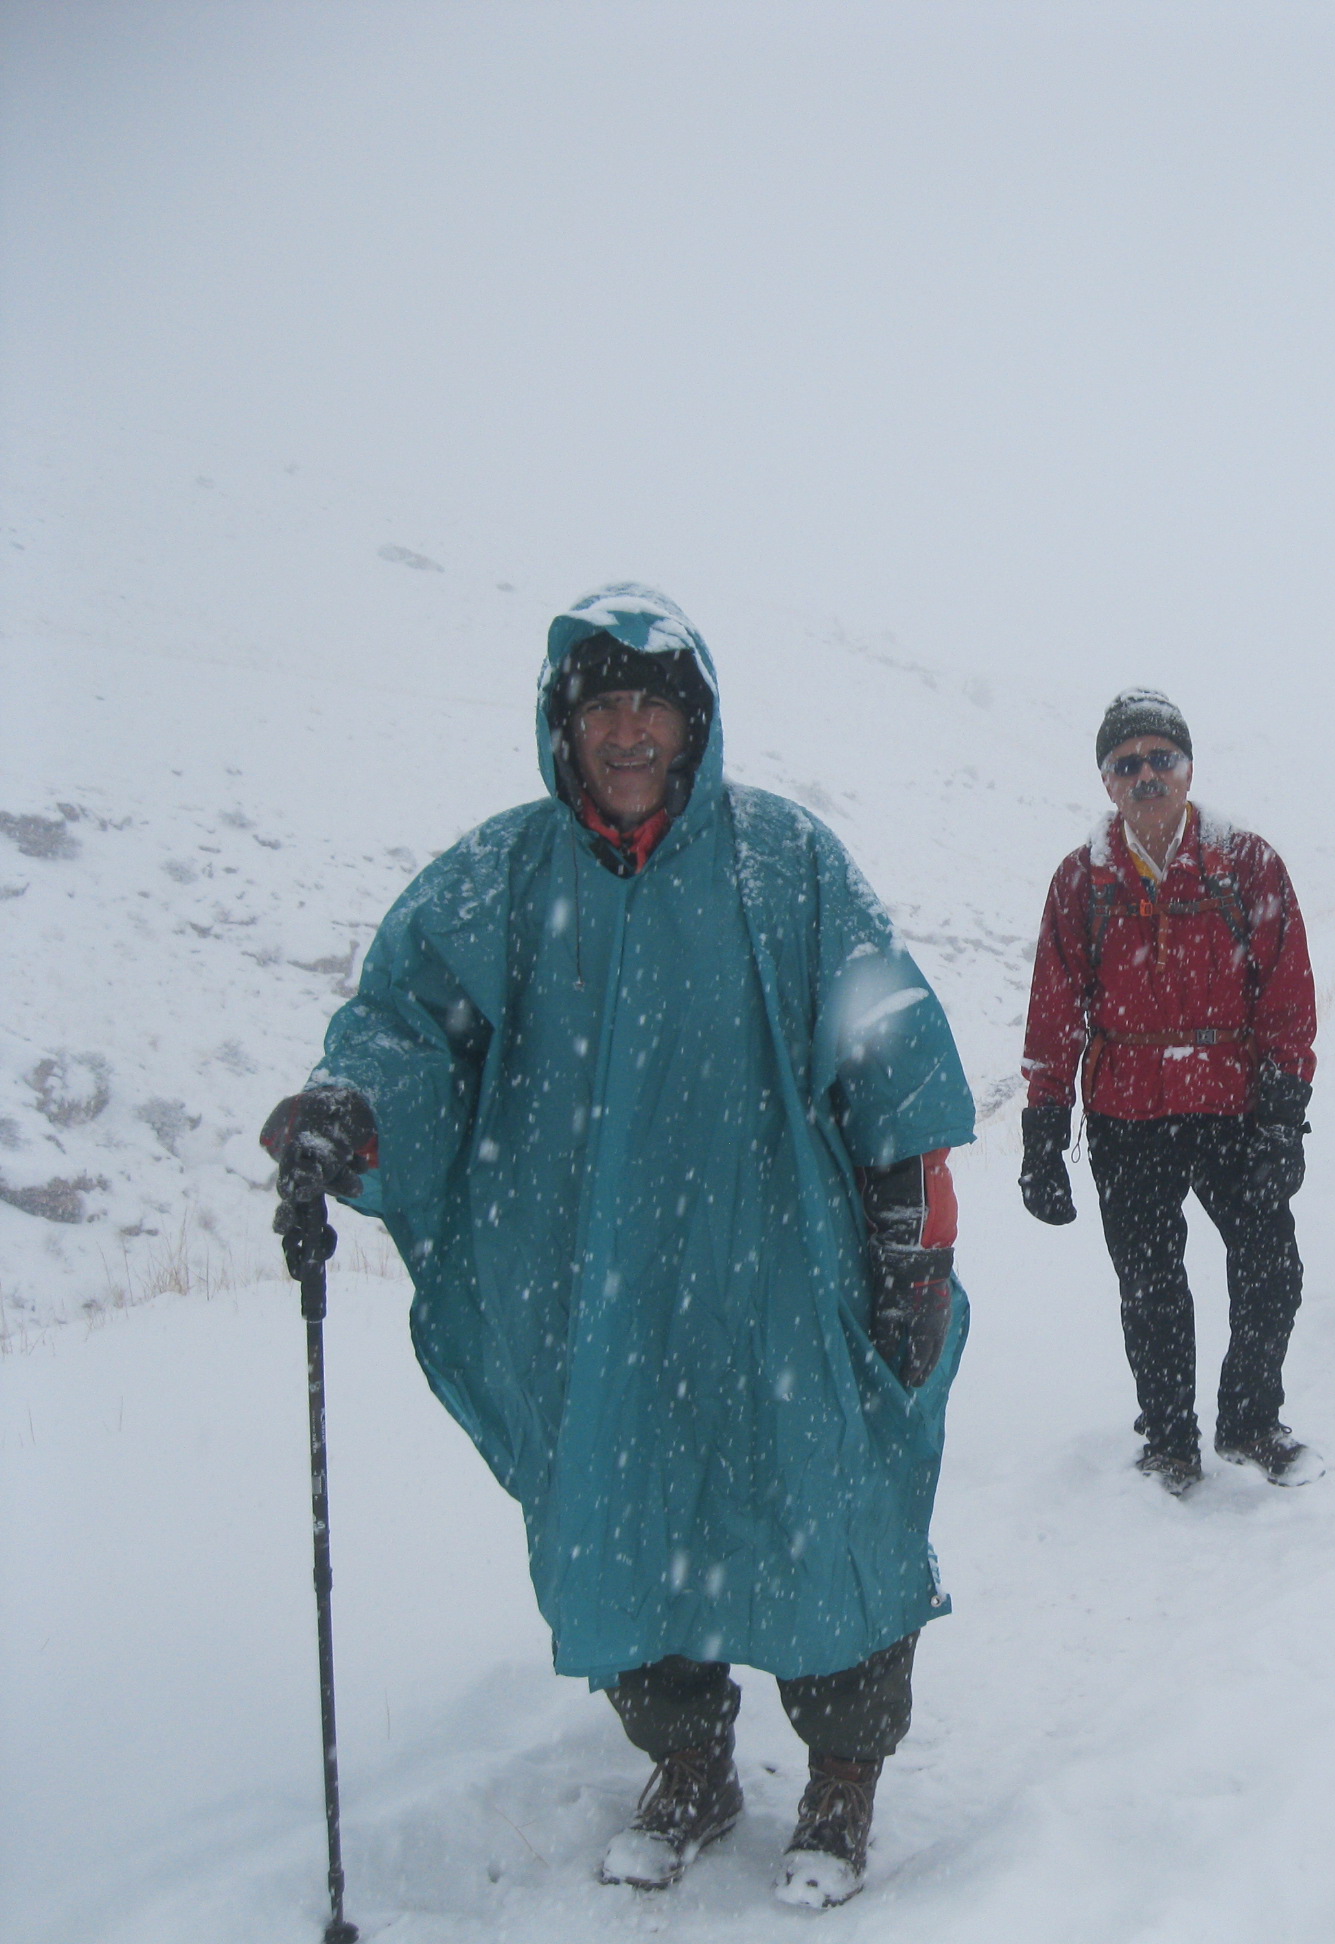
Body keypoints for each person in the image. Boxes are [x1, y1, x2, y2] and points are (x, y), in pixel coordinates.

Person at [259, 585, 976, 1910]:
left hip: (781, 1277)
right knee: (620, 1522)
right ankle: (691, 1766)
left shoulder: (785, 861)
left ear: (695, 723)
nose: (630, 732)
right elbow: (405, 1035)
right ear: (564, 724)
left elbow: (886, 1039)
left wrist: (910, 1246)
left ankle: (842, 1777)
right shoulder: (500, 881)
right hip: (595, 1287)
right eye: (605, 706)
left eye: (654, 704)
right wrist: (348, 1116)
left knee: (824, 1515)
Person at [1018, 689, 1320, 1495]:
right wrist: (1043, 1132)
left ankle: (1251, 1421)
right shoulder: (1083, 881)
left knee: (1271, 1267)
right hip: (1126, 1117)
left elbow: (1288, 997)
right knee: (1150, 1288)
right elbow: (1055, 1011)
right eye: (1128, 763)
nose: (1147, 774)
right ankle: (1170, 1439)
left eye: (1162, 759)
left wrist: (1283, 1119)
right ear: (1106, 781)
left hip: (1233, 1108)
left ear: (1189, 767)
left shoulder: (1247, 863)